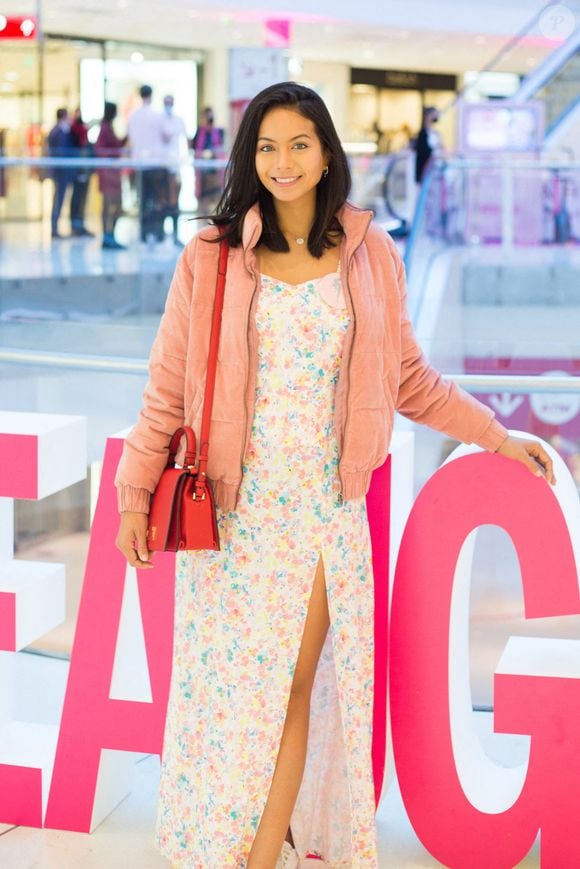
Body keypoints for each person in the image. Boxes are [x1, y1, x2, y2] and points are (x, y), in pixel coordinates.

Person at [114, 82, 555, 869]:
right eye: (268, 147)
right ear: (252, 158)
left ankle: (252, 858)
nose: (283, 162)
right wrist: (133, 493)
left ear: (325, 154)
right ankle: (245, 835)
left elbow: (410, 380)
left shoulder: (370, 254)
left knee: (291, 684)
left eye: (299, 145)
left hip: (322, 512)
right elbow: (166, 390)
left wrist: (494, 436)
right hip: (232, 513)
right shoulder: (211, 259)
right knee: (231, 697)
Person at [127, 84, 168, 243]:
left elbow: (131, 138)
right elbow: (166, 137)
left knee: (143, 199)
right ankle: (157, 231)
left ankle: (144, 233)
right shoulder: (158, 116)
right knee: (158, 199)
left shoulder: (133, 116)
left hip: (140, 164)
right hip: (157, 163)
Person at [95, 102, 128, 250]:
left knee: (113, 205)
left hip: (111, 172)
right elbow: (104, 149)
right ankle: (108, 236)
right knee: (110, 205)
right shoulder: (105, 129)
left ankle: (109, 235)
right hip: (109, 173)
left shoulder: (108, 128)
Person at [161, 94, 188, 246]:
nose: (168, 105)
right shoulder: (159, 121)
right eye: (166, 102)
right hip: (161, 167)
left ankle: (175, 233)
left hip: (175, 166)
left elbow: (187, 140)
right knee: (163, 201)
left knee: (174, 201)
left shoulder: (179, 120)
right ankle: (161, 233)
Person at [47, 108, 75, 239]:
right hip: (61, 172)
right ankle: (54, 228)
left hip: (62, 171)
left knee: (59, 199)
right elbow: (61, 152)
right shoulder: (58, 132)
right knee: (58, 199)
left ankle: (55, 228)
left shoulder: (58, 131)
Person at [191, 105, 225, 212]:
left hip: (215, 174)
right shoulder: (199, 133)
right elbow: (195, 150)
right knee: (204, 205)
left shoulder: (219, 132)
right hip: (203, 175)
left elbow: (221, 150)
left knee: (216, 202)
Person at [69, 107, 95, 237]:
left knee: (82, 199)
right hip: (79, 172)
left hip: (84, 171)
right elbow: (81, 132)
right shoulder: (75, 129)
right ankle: (76, 225)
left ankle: (80, 224)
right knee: (77, 199)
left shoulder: (82, 134)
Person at [415, 105, 443, 184]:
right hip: (426, 167)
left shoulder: (435, 133)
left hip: (435, 167)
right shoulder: (422, 134)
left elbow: (441, 147)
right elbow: (423, 150)